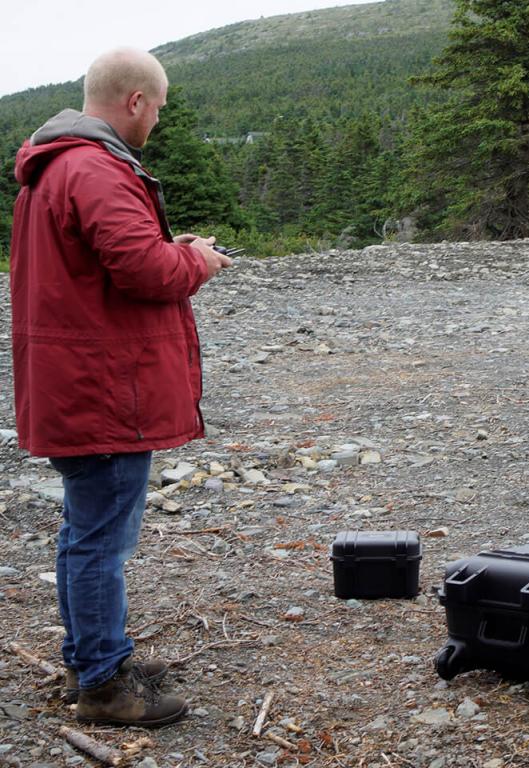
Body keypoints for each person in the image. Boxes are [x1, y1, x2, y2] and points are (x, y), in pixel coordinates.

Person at [9, 47, 232, 727]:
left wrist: (176, 248)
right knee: (101, 538)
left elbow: (108, 263)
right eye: (158, 108)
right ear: (135, 100)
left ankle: (91, 656)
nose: (158, 121)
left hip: (76, 380)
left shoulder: (60, 165)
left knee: (86, 531)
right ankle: (104, 685)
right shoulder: (95, 166)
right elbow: (142, 270)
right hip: (102, 389)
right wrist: (194, 260)